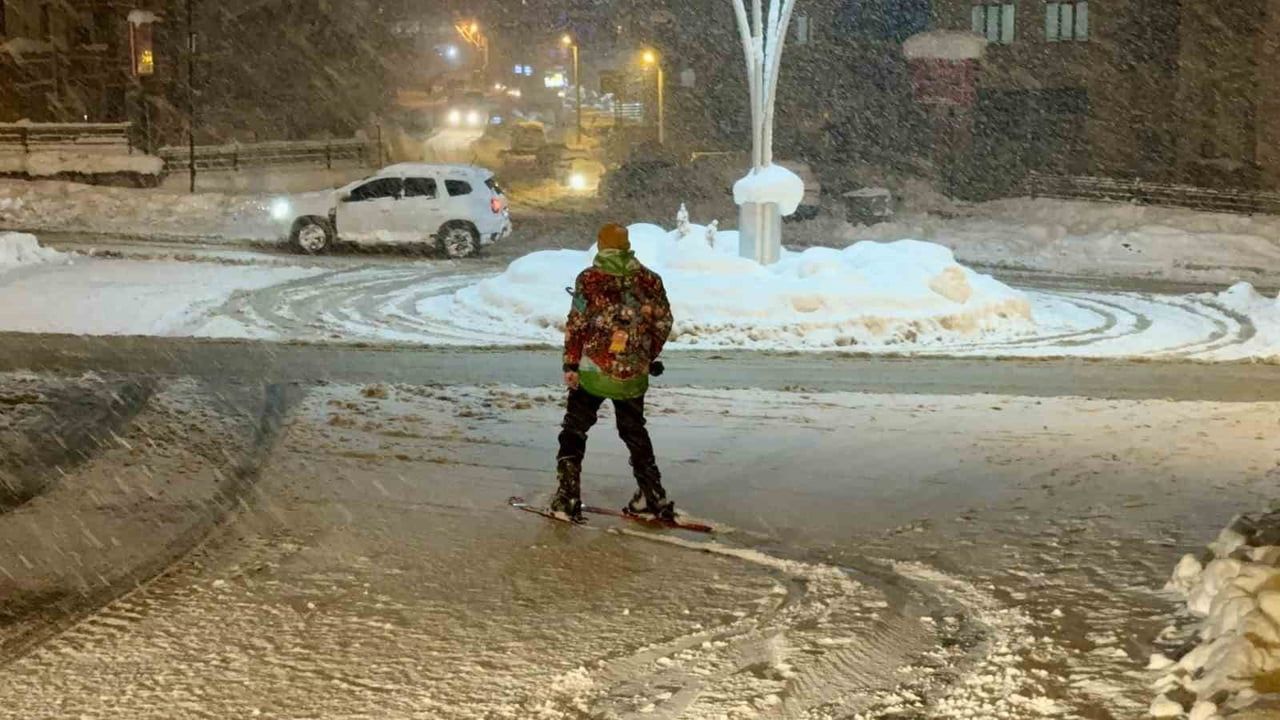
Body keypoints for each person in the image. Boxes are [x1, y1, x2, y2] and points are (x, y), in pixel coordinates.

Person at [552, 223, 675, 522]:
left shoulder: (589, 279)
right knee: (634, 431)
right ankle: (652, 495)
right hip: (633, 372)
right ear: (627, 245)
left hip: (593, 370)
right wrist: (645, 354)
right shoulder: (650, 280)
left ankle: (567, 497)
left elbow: (577, 324)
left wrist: (571, 364)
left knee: (574, 430)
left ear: (600, 244)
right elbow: (663, 322)